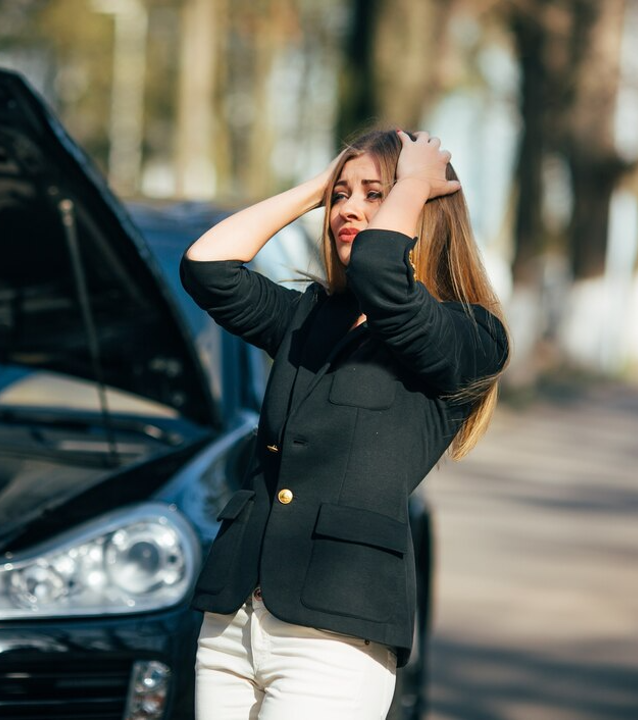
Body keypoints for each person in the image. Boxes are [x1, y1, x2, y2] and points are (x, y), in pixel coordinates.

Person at [179, 128, 509, 720]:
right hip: (233, 619)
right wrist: (318, 186)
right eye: (343, 196)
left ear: (424, 209)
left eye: (373, 194)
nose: (350, 209)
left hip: (335, 631)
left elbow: (386, 271)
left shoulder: (471, 337)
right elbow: (208, 267)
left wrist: (412, 181)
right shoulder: (311, 317)